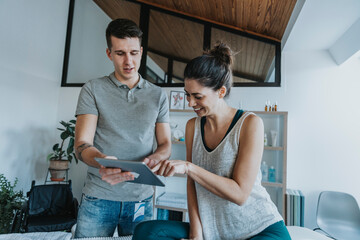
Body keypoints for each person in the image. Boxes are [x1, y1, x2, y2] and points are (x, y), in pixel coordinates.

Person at [133, 43, 291, 240]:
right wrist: (196, 233)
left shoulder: (250, 124)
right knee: (146, 232)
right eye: (187, 95)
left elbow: (240, 194)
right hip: (213, 229)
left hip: (258, 229)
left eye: (197, 96)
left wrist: (189, 167)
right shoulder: (193, 126)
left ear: (221, 92)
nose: (190, 103)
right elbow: (192, 183)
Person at [73, 18, 171, 238]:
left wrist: (154, 158)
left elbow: (165, 144)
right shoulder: (93, 89)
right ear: (109, 53)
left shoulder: (158, 95)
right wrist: (102, 160)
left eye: (134, 53)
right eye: (120, 53)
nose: (129, 61)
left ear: (141, 51)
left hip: (141, 199)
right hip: (99, 197)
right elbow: (81, 145)